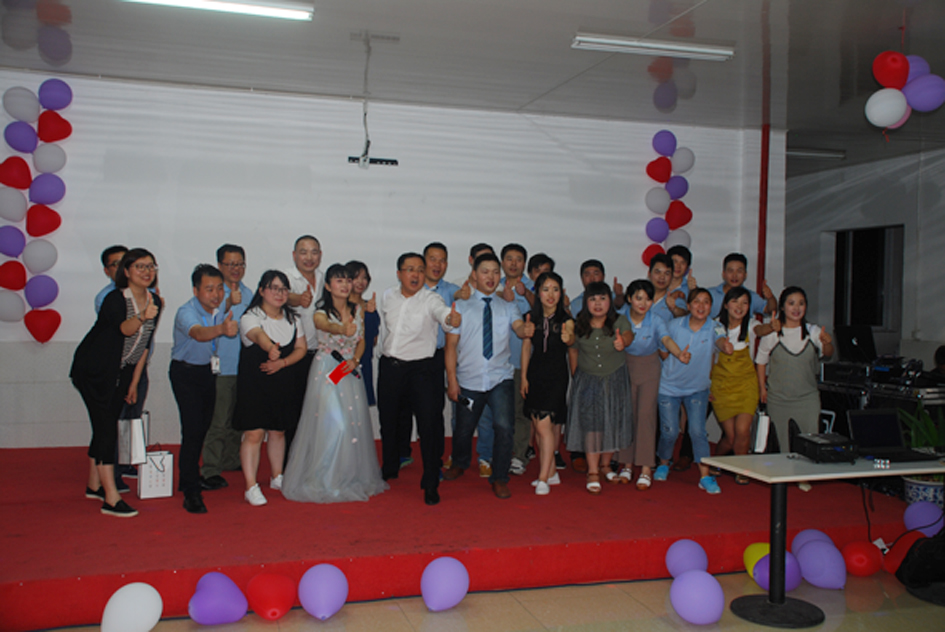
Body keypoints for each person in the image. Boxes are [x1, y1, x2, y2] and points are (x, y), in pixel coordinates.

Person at [282, 264, 388, 503]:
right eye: (339, 281)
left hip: (348, 370)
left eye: (347, 280)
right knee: (334, 427)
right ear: (328, 286)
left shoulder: (357, 309)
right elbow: (325, 325)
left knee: (351, 427)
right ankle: (324, 480)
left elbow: (361, 340)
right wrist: (341, 328)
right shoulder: (321, 312)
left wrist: (355, 360)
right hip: (327, 371)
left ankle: (345, 477)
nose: (345, 285)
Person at [71, 248, 163, 517]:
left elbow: (144, 345)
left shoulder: (155, 300)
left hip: (122, 372)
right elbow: (124, 329)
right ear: (126, 272)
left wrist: (134, 382)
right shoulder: (115, 299)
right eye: (140, 267)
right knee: (106, 428)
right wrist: (142, 316)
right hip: (94, 370)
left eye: (151, 266)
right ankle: (111, 498)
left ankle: (94, 485)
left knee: (105, 424)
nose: (147, 272)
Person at [377, 252, 461, 505]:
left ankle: (431, 481)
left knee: (429, 425)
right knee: (388, 420)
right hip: (390, 367)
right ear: (399, 273)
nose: (416, 274)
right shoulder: (388, 296)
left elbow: (443, 314)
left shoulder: (431, 299)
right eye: (410, 269)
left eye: (420, 270)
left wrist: (450, 318)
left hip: (422, 371)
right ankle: (389, 466)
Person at [443, 253, 527, 499]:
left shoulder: (508, 306)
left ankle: (499, 477)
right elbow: (450, 346)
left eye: (495, 272)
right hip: (469, 379)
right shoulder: (461, 307)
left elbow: (519, 328)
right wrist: (452, 380)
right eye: (485, 271)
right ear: (474, 275)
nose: (491, 277)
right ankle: (460, 462)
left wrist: (526, 329)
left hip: (500, 378)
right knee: (464, 428)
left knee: (504, 427)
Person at [169, 264, 240, 513]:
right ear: (195, 290)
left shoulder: (217, 309)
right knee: (192, 430)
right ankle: (191, 491)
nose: (216, 294)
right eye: (209, 289)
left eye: (219, 288)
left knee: (203, 427)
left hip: (207, 372)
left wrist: (227, 306)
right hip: (185, 373)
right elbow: (198, 334)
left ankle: (189, 477)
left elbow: (221, 311)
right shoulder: (185, 312)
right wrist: (222, 329)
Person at [233, 270, 307, 506]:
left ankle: (277, 476)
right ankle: (250, 486)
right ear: (262, 291)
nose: (279, 293)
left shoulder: (293, 318)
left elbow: (301, 349)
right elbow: (256, 335)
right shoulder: (250, 316)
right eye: (274, 288)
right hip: (254, 384)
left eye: (283, 289)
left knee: (278, 431)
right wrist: (270, 348)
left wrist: (282, 362)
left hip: (283, 382)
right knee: (254, 434)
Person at [653, 288, 728, 494]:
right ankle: (664, 462)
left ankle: (705, 476)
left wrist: (725, 346)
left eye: (706, 302)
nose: (701, 306)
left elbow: (721, 341)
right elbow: (662, 348)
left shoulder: (716, 327)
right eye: (696, 301)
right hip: (669, 387)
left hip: (697, 388)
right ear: (688, 306)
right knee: (669, 431)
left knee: (697, 432)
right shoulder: (674, 325)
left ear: (711, 307)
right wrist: (673, 360)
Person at [621, 279, 690, 490]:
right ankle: (626, 464)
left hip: (650, 367)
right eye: (638, 298)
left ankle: (645, 467)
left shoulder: (657, 319)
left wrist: (678, 353)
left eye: (648, 299)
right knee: (628, 415)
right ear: (629, 299)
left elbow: (666, 339)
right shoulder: (621, 318)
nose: (643, 303)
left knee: (646, 415)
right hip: (625, 367)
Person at [567, 281, 634, 494]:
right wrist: (576, 375)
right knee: (592, 426)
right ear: (586, 302)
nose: (598, 303)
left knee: (612, 422)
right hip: (588, 380)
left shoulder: (619, 320)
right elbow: (573, 349)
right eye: (593, 299)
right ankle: (593, 471)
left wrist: (623, 342)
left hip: (614, 379)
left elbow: (628, 335)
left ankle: (606, 465)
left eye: (602, 298)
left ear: (610, 301)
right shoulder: (579, 324)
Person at [200, 245, 252, 490]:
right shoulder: (213, 294)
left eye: (240, 264)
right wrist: (228, 302)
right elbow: (207, 320)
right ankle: (210, 469)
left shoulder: (249, 293)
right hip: (220, 369)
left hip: (244, 368)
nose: (235, 269)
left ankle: (230, 460)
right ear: (220, 265)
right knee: (218, 421)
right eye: (230, 264)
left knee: (236, 420)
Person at [756, 286, 834, 447]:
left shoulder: (813, 331)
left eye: (801, 303)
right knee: (783, 447)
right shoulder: (772, 333)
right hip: (778, 400)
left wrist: (827, 343)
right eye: (791, 303)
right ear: (782, 307)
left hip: (807, 399)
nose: (796, 308)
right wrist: (762, 388)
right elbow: (760, 361)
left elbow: (828, 353)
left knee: (811, 445)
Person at [520, 271, 574, 495]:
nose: (550, 294)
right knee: (539, 425)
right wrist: (524, 377)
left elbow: (571, 339)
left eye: (555, 289)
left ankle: (542, 478)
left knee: (544, 426)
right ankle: (552, 473)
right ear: (538, 293)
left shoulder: (566, 320)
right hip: (535, 374)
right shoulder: (530, 318)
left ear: (561, 293)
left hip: (556, 377)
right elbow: (526, 348)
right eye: (545, 289)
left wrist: (568, 338)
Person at [710, 287, 769, 484]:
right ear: (726, 304)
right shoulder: (715, 325)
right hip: (721, 387)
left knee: (743, 431)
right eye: (735, 301)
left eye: (745, 303)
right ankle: (716, 461)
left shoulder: (752, 325)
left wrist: (772, 327)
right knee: (731, 436)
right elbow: (709, 359)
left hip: (746, 385)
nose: (740, 306)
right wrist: (707, 385)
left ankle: (742, 470)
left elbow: (761, 330)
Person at [94, 244, 139, 488]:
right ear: (106, 270)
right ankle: (110, 477)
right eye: (116, 264)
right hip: (114, 369)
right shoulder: (108, 298)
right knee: (111, 421)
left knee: (130, 417)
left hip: (136, 365)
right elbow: (123, 332)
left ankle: (124, 464)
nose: (122, 268)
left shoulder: (144, 294)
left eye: (126, 262)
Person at [422, 242, 461, 470]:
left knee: (434, 410)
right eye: (433, 259)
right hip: (412, 356)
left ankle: (435, 458)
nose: (437, 264)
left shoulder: (453, 291)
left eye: (442, 260)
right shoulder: (412, 287)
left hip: (439, 355)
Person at [284, 235, 324, 448]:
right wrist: (296, 298)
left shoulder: (325, 279)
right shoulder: (285, 278)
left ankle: (312, 458)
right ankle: (290, 460)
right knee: (293, 410)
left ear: (320, 255)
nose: (309, 257)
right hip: (295, 356)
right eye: (303, 252)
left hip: (321, 356)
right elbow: (277, 295)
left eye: (314, 252)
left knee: (318, 410)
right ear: (294, 255)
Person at [500, 243, 533, 476]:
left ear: (524, 263)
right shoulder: (493, 285)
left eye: (518, 259)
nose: (513, 263)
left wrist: (525, 294)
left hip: (523, 363)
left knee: (521, 412)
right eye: (509, 258)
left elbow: (544, 311)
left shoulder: (533, 287)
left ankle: (520, 455)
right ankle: (501, 452)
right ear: (502, 262)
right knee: (501, 414)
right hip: (498, 363)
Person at [346, 261, 379, 406]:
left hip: (364, 363)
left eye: (364, 278)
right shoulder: (339, 307)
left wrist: (368, 314)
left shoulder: (370, 308)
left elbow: (374, 341)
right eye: (355, 277)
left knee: (361, 408)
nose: (360, 282)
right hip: (343, 363)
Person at [708, 253, 776, 320]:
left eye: (739, 271)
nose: (734, 275)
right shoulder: (710, 294)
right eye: (731, 271)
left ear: (745, 275)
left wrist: (770, 297)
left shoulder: (751, 296)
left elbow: (770, 309)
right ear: (724, 274)